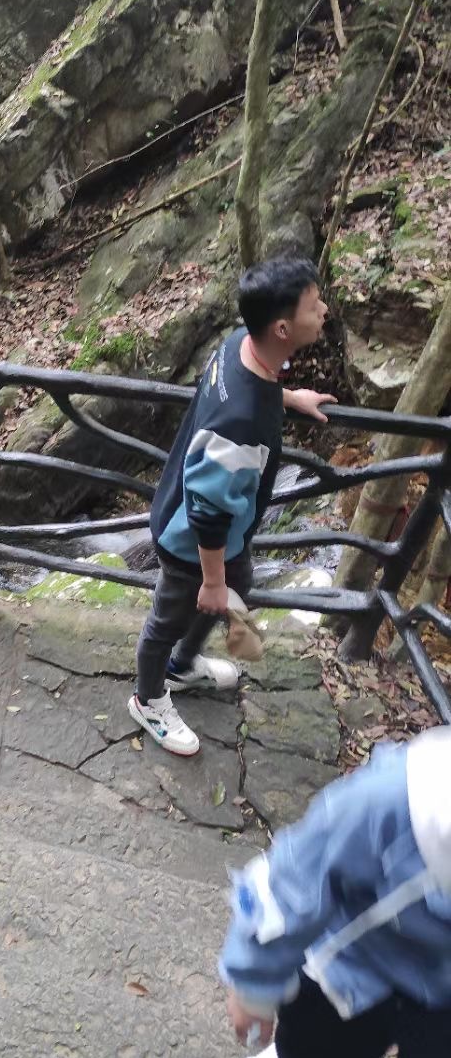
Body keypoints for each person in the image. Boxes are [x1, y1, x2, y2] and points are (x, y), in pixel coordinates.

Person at [220, 727, 451, 1058]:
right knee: (318, 1048)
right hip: (357, 962)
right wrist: (255, 980)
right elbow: (292, 880)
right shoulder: (392, 802)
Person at [128, 256, 336, 756]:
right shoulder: (240, 425)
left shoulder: (238, 344)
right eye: (314, 305)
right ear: (283, 328)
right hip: (190, 537)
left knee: (235, 586)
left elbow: (247, 387)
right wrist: (211, 580)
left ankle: (182, 665)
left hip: (216, 526)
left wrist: (286, 397)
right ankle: (148, 698)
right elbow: (208, 508)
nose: (324, 310)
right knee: (169, 617)